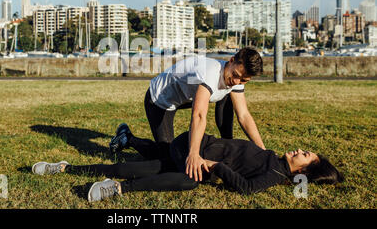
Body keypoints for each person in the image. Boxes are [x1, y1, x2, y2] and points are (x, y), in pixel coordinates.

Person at [32, 126, 344, 203]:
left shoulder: (273, 175)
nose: (301, 149)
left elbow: (247, 190)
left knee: (141, 167)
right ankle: (118, 189)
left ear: (302, 171)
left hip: (196, 156)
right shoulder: (272, 158)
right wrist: (208, 162)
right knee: (189, 180)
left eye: (306, 155)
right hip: (191, 149)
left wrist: (214, 165)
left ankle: (64, 168)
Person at [110, 47, 265, 182]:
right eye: (236, 75)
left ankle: (227, 144)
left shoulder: (235, 79)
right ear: (231, 60)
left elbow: (244, 115)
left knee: (228, 98)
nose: (237, 82)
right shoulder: (210, 73)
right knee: (170, 159)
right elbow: (198, 115)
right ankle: (127, 138)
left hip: (185, 97)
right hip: (160, 99)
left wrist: (263, 153)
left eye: (244, 80)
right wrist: (193, 154)